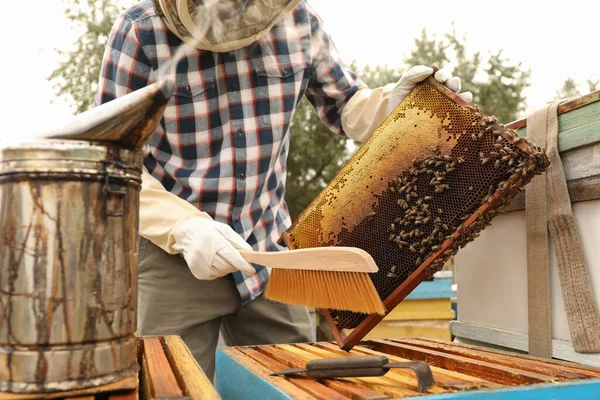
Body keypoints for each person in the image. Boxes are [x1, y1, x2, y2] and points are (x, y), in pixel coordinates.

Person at [95, 0, 472, 378]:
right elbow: (113, 156)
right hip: (174, 255)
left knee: (296, 379)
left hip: (270, 247)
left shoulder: (299, 20)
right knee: (169, 384)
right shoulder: (140, 30)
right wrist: (181, 227)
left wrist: (391, 104)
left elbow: (346, 104)